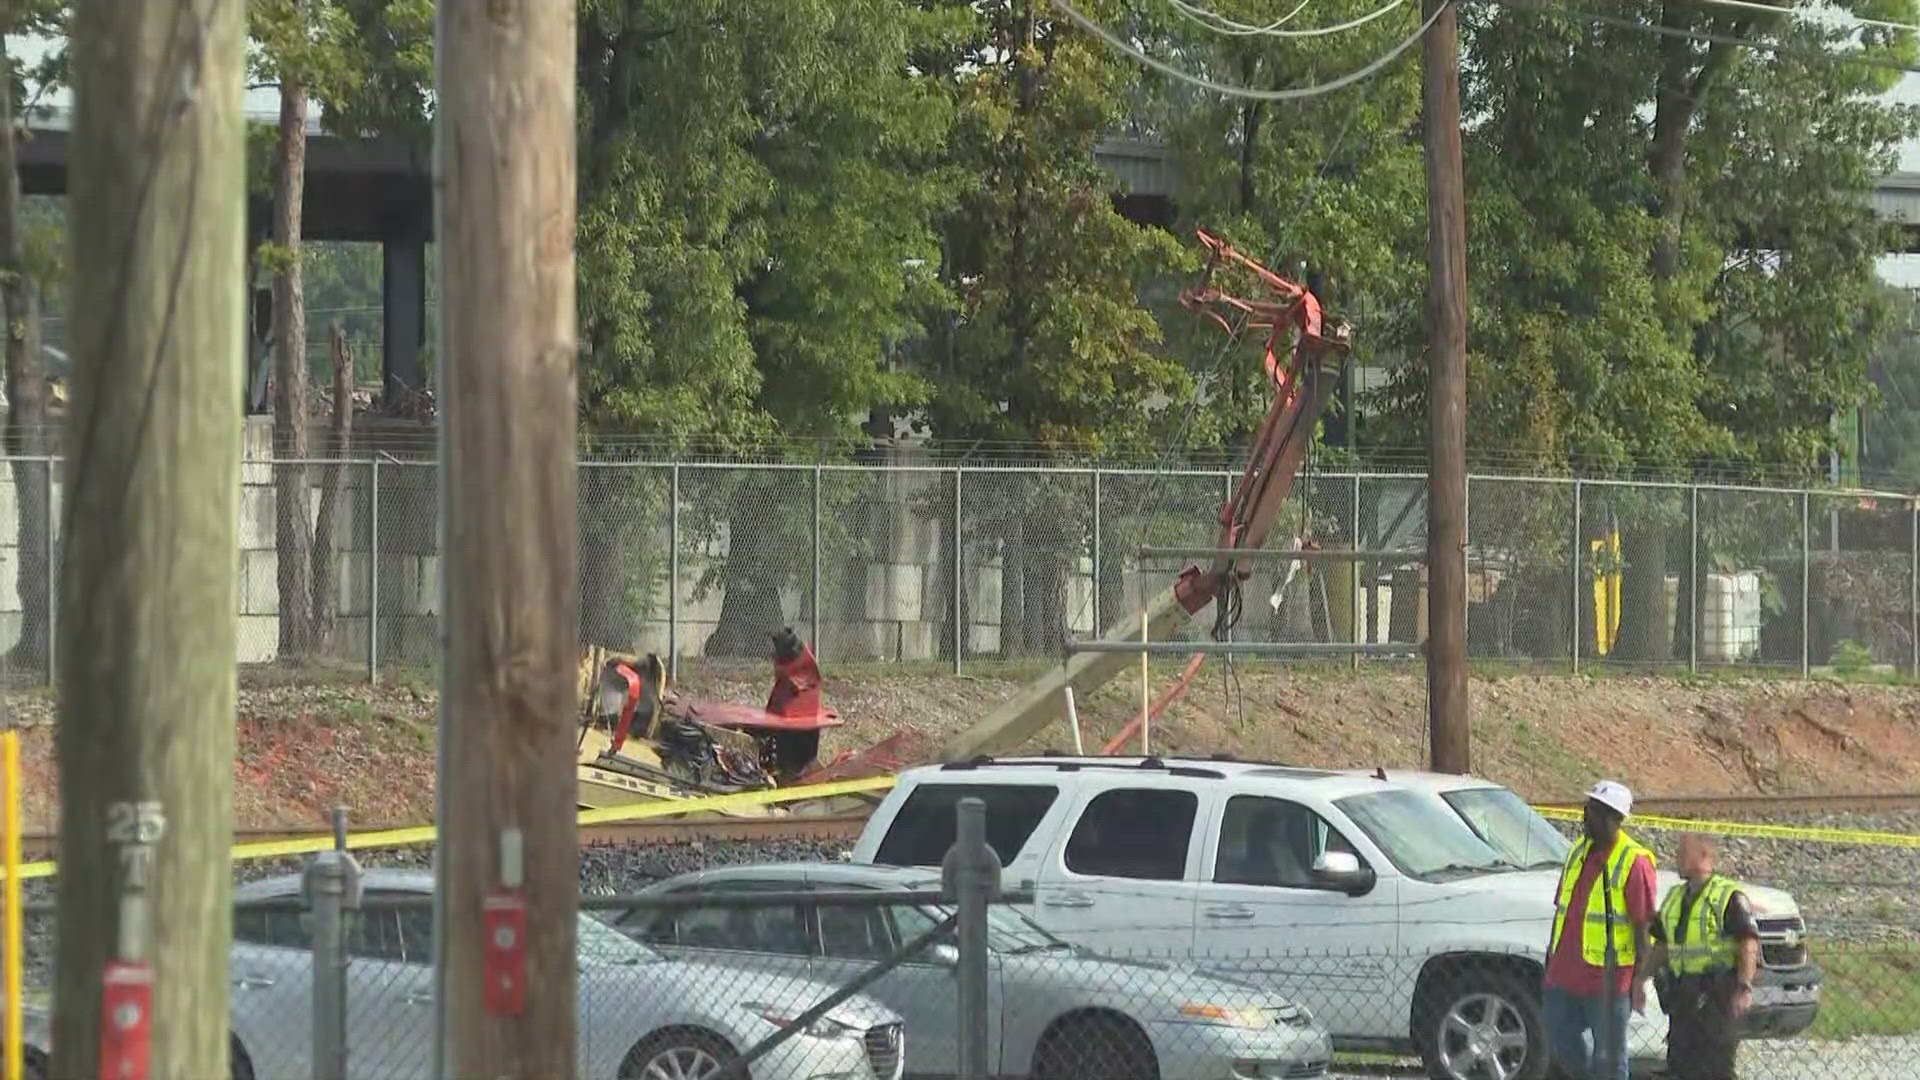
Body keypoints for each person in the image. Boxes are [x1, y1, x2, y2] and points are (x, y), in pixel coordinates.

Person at [1543, 780, 1658, 1080]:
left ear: (1613, 818)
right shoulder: (1578, 851)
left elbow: (1642, 928)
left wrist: (1639, 982)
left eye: (1593, 811)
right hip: (1563, 976)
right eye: (1587, 808)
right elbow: (1562, 910)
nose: (1585, 816)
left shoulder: (1634, 862)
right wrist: (1550, 960)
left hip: (1607, 981)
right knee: (1559, 1042)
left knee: (1609, 1059)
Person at [1650, 833, 1761, 1080]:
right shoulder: (1675, 897)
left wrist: (1744, 987)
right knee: (1681, 1065)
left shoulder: (1727, 896)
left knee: (1716, 1067)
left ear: (1703, 856)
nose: (1676, 857)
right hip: (1683, 995)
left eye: (1682, 852)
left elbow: (1748, 941)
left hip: (1716, 994)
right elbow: (1662, 945)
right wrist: (1638, 979)